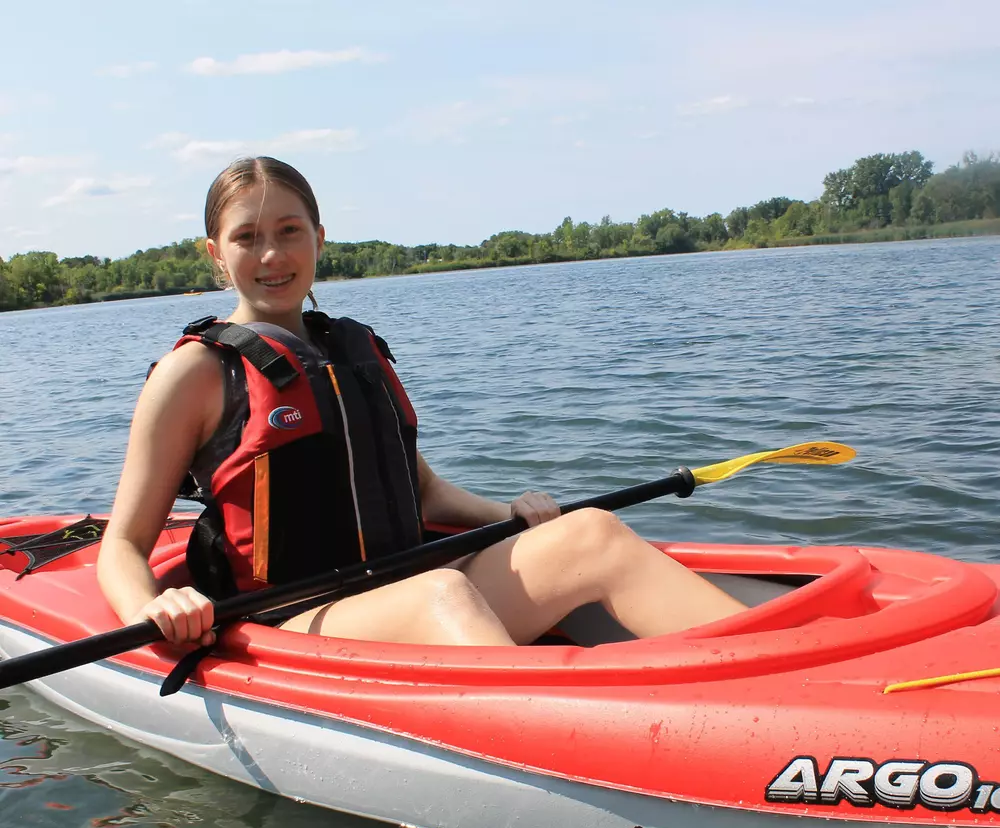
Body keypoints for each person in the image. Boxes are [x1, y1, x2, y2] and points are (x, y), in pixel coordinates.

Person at [97, 156, 747, 649]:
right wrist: (151, 609)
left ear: (319, 238)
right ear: (217, 253)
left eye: (289, 231)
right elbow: (122, 544)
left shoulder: (354, 351)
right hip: (292, 624)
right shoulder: (194, 373)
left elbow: (424, 493)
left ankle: (782, 675)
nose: (272, 254)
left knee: (590, 533)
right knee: (443, 592)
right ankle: (561, 748)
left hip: (404, 593)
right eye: (247, 237)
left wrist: (512, 514)